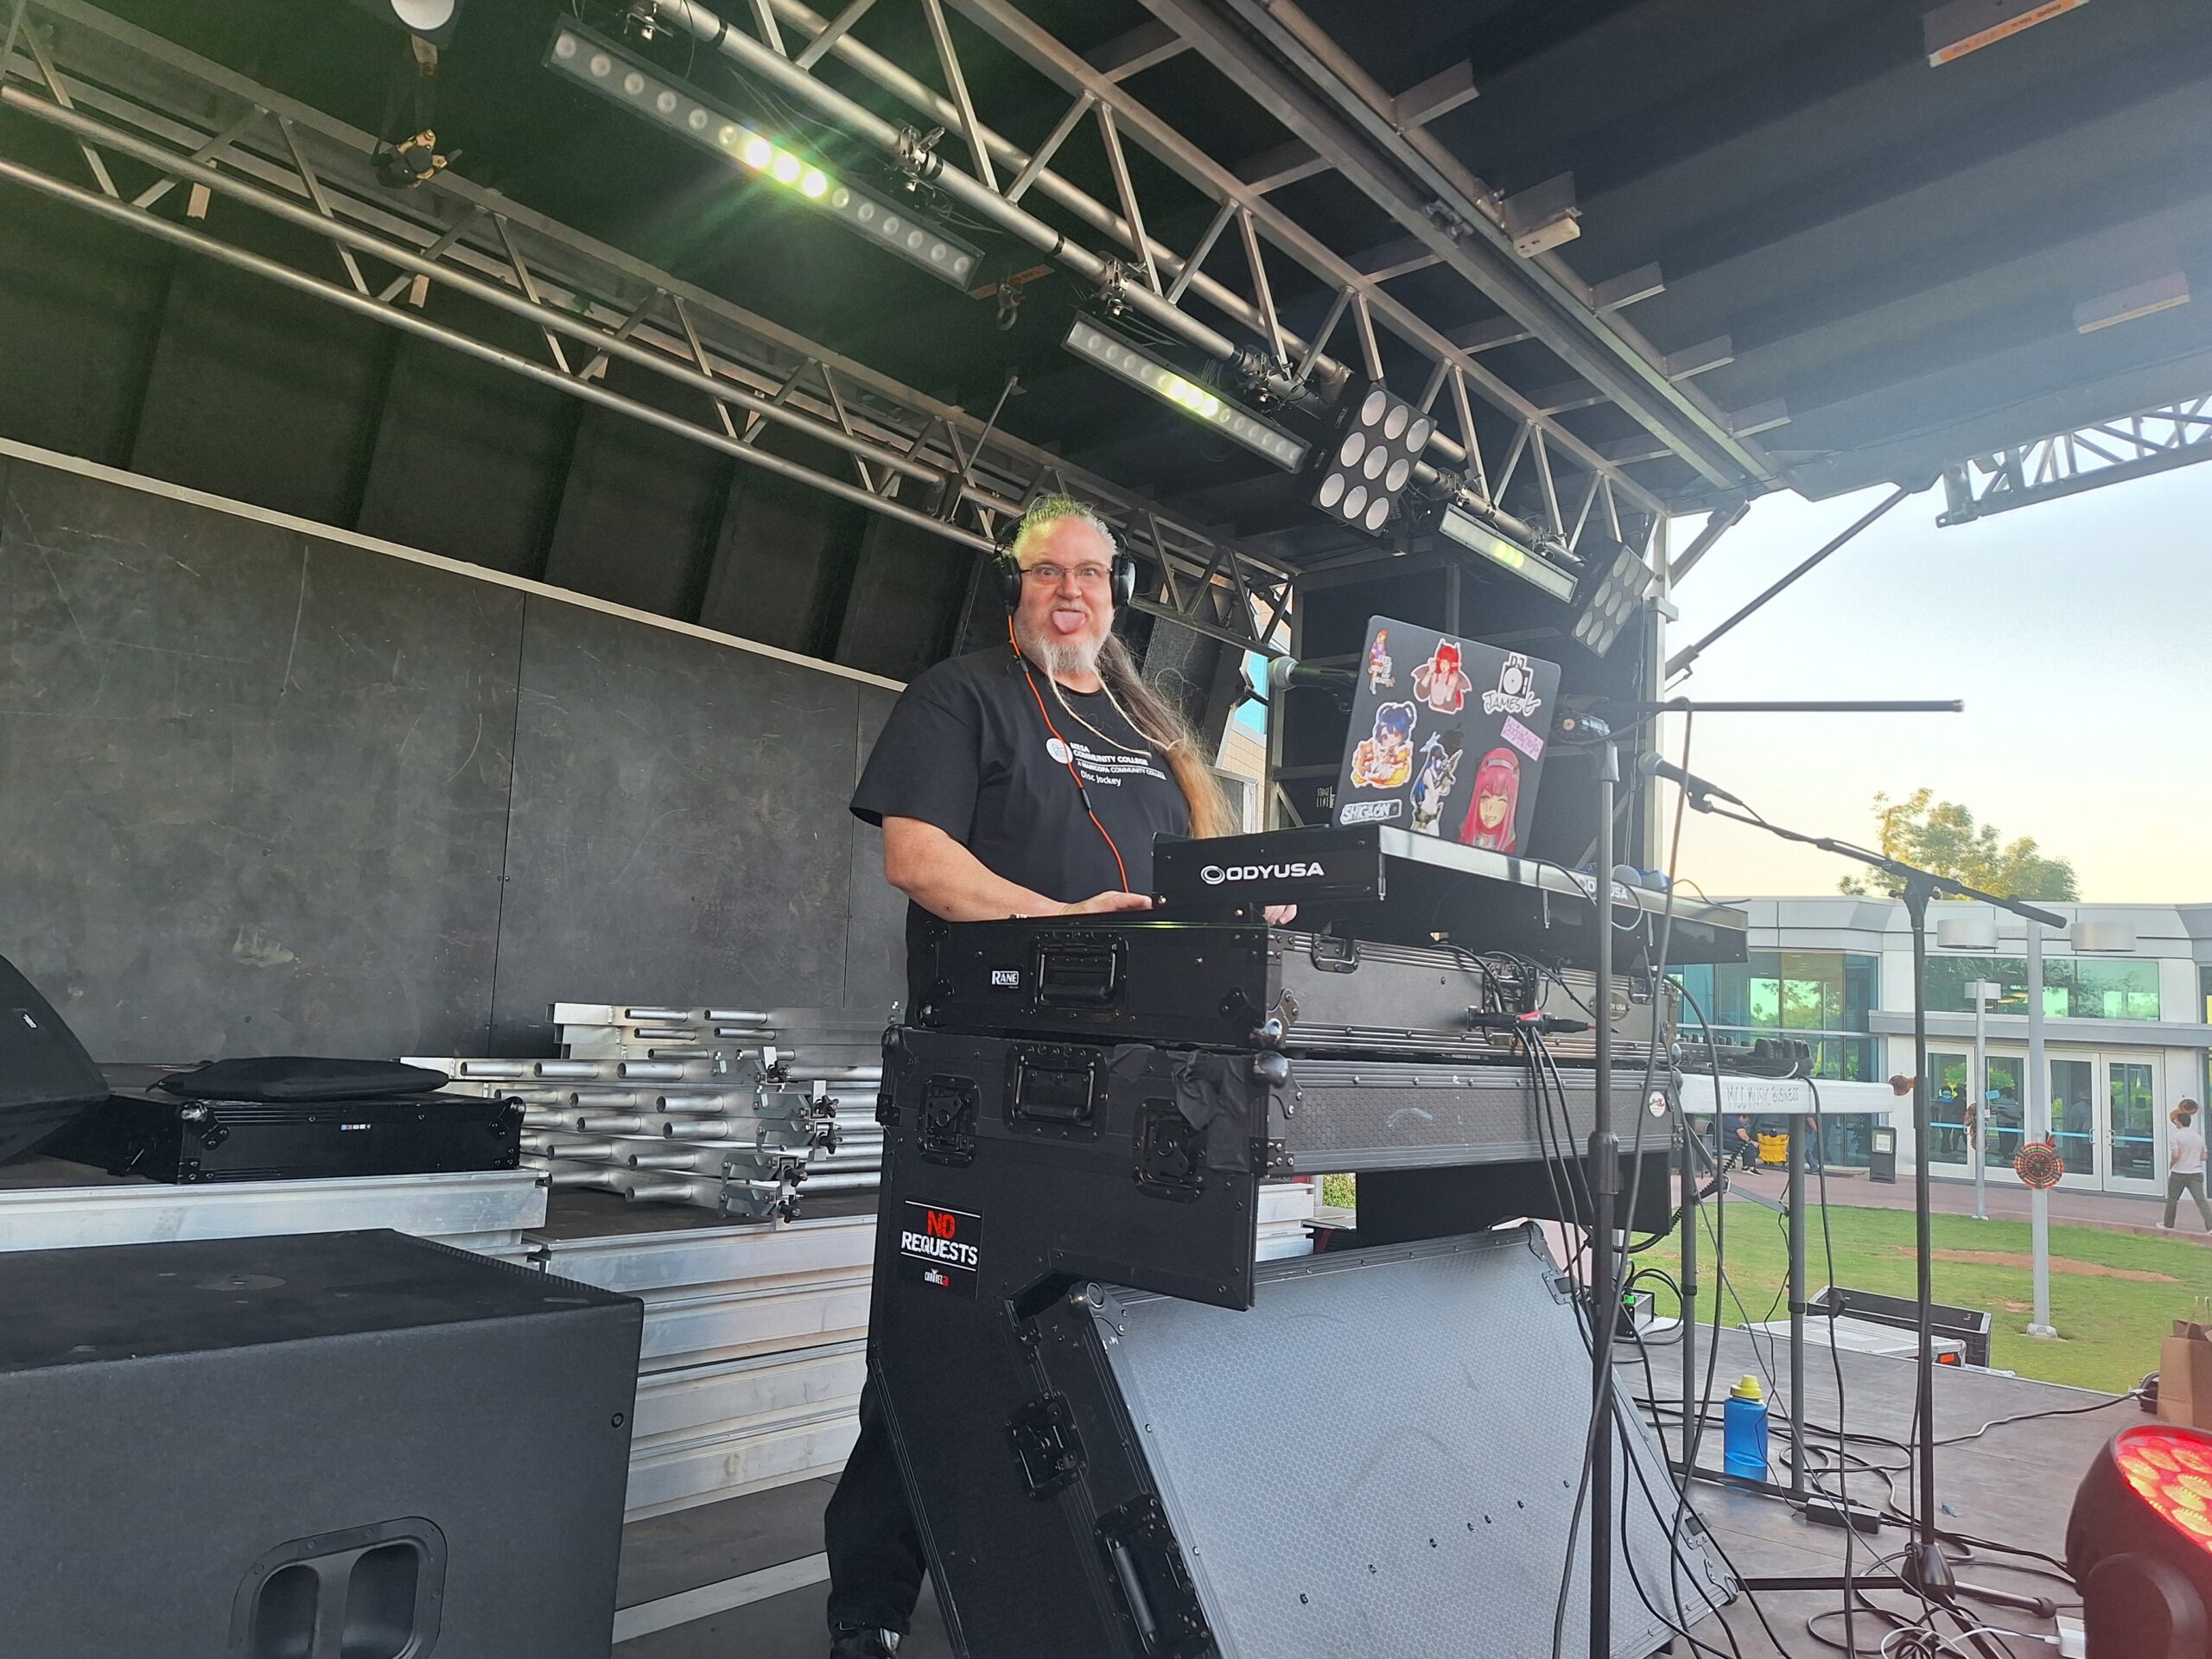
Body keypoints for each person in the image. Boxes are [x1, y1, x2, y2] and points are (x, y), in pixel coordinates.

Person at [824, 495, 1278, 1659]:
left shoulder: (1151, 732)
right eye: (1045, 573)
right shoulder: (962, 696)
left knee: (1108, 1337)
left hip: (1139, 1089)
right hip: (983, 1086)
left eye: (1088, 573)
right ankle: (868, 1605)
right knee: (940, 1340)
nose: (1068, 590)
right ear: (1017, 590)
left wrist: (1254, 907)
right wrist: (1058, 925)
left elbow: (1195, 890)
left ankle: (1098, 1593)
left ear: (1114, 596)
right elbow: (916, 856)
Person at [2165, 1100, 2210, 1233]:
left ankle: (2168, 1224)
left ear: (2179, 1122)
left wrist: (2171, 1164)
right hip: (2195, 1173)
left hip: (2179, 1172)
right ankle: (2210, 1226)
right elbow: (2204, 1157)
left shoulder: (2176, 1137)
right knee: (2201, 1200)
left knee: (2173, 1199)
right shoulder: (2199, 1137)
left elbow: (2176, 1155)